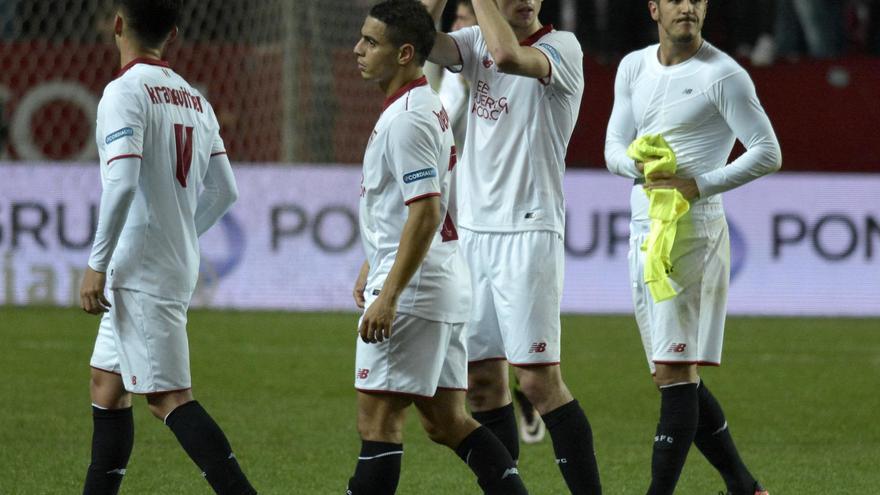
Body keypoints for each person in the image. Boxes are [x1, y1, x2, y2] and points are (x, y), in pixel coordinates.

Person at [347, 1, 528, 493]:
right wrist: (374, 258)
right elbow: (414, 206)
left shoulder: (409, 117)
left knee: (378, 422)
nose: (358, 50)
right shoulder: (420, 105)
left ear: (405, 53)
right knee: (447, 421)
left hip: (416, 288)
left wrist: (389, 294)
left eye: (371, 42)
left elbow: (425, 211)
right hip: (440, 279)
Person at [422, 0, 601, 493]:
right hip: (472, 235)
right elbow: (411, 37)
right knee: (480, 381)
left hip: (529, 233)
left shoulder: (561, 47)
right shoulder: (472, 43)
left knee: (538, 382)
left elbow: (506, 56)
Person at [604, 1, 782, 494]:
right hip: (645, 232)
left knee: (676, 370)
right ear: (654, 8)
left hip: (693, 233)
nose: (687, 6)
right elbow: (613, 144)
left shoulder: (724, 75)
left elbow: (768, 152)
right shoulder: (632, 65)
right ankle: (744, 486)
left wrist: (697, 185)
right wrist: (635, 168)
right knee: (669, 376)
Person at [79, 1, 255, 494]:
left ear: (118, 25)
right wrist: (180, 232)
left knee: (169, 398)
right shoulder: (194, 99)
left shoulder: (122, 92)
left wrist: (96, 264)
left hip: (138, 267)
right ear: (172, 34)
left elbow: (121, 184)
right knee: (106, 386)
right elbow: (225, 192)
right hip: (168, 261)